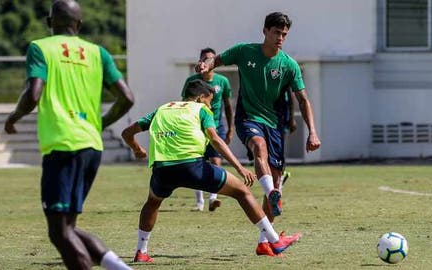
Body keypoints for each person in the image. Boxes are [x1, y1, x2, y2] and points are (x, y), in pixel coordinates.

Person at [4, 1, 135, 269]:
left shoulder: (40, 47)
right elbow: (127, 98)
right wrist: (100, 123)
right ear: (80, 24)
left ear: (50, 22)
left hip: (63, 146)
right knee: (69, 227)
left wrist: (13, 117)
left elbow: (33, 93)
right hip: (91, 146)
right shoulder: (98, 53)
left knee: (59, 231)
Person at [121, 80, 302, 262]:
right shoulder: (201, 110)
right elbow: (215, 139)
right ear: (200, 98)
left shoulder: (162, 109)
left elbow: (127, 133)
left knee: (152, 203)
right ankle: (274, 240)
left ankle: (141, 251)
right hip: (192, 167)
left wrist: (137, 149)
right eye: (209, 100)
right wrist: (239, 167)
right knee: (242, 192)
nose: (211, 105)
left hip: (162, 170)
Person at [196, 12, 321, 256]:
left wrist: (312, 132)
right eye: (276, 32)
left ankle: (265, 241)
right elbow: (218, 59)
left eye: (284, 34)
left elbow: (303, 100)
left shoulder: (288, 65)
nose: (280, 38)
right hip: (248, 118)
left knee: (274, 179)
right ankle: (271, 193)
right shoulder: (245, 51)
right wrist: (206, 65)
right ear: (265, 31)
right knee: (258, 148)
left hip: (273, 125)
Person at [181, 47, 234, 212]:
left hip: (216, 126)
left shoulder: (222, 81)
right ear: (200, 61)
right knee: (197, 161)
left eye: (211, 58)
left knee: (216, 161)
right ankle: (199, 201)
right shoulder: (193, 81)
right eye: (204, 58)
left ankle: (213, 198)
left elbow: (227, 106)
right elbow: (185, 103)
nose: (207, 62)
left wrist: (230, 129)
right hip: (196, 127)